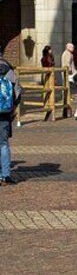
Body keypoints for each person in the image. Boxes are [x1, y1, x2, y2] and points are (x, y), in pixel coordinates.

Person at [0, 49, 22, 185]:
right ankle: (6, 175)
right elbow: (17, 91)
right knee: (3, 144)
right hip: (4, 113)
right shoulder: (7, 68)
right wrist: (13, 108)